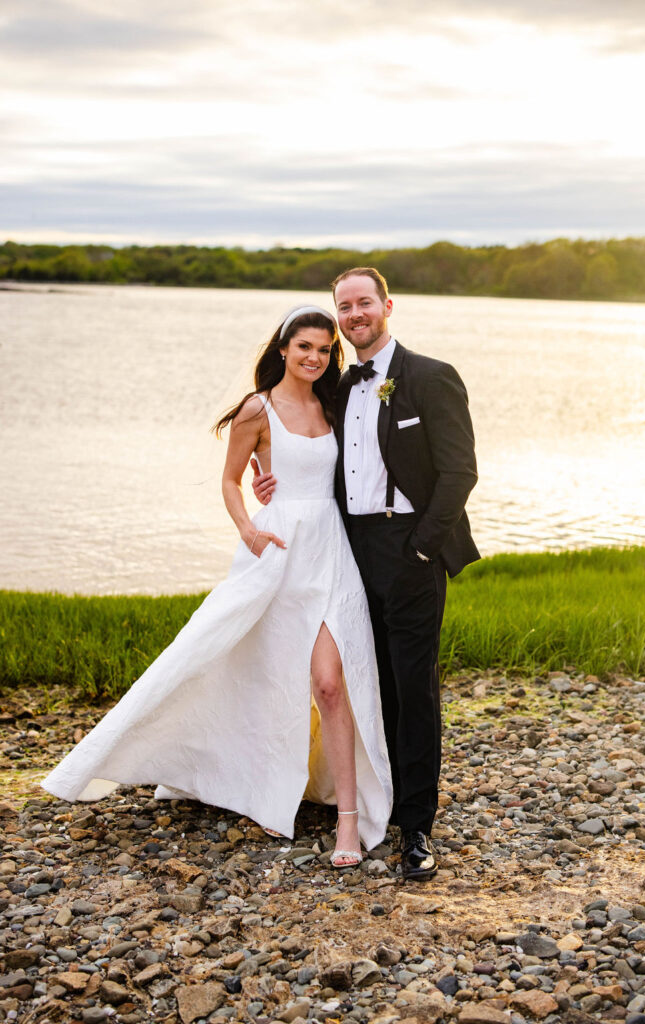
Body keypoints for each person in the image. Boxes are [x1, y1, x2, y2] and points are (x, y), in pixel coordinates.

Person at [42, 306, 393, 867]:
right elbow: (231, 480)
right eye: (304, 346)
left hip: (331, 549)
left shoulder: (335, 403)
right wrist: (249, 528)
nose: (314, 357)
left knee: (331, 681)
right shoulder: (257, 408)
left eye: (325, 349)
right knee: (230, 656)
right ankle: (190, 760)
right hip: (277, 550)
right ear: (282, 348)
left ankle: (348, 819)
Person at [253, 269, 479, 880]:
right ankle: (364, 800)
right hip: (346, 552)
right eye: (343, 306)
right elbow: (307, 451)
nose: (354, 314)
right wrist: (265, 476)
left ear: (386, 306)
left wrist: (424, 551)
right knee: (364, 682)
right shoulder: (336, 387)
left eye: (363, 303)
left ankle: (416, 829)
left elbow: (460, 474)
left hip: (411, 552)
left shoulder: (432, 378)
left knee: (413, 690)